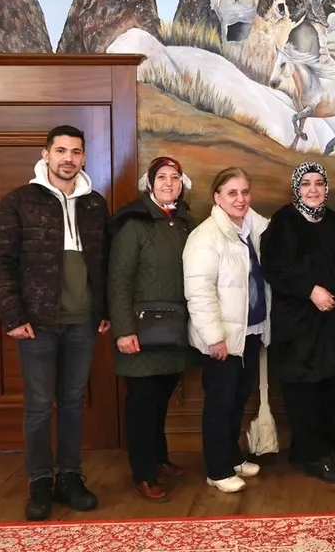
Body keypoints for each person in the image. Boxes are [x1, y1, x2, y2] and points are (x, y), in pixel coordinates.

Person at [0, 125, 111, 521]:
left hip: (82, 322)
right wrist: (13, 315)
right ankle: (40, 482)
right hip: (37, 323)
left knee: (73, 402)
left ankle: (70, 478)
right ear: (46, 155)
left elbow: (104, 263)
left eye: (75, 151)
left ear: (84, 157)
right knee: (40, 406)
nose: (68, 158)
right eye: (61, 150)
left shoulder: (95, 204)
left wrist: (104, 310)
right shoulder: (19, 201)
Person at [107, 156, 197, 503]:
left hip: (174, 331)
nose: (169, 183)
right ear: (150, 183)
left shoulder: (186, 222)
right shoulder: (134, 223)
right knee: (143, 403)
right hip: (140, 332)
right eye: (162, 177)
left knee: (160, 399)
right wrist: (123, 330)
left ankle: (159, 458)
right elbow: (119, 280)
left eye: (175, 177)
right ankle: (143, 472)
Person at [260, 162, 335, 484]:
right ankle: (314, 457)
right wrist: (310, 290)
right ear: (296, 189)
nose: (313, 190)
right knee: (303, 391)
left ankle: (309, 448)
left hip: (330, 325)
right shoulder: (283, 221)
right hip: (297, 326)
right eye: (306, 184)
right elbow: (273, 267)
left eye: (318, 183)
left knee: (327, 389)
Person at [184, 167, 270, 494]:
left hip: (250, 332)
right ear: (217, 197)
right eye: (232, 193)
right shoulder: (205, 237)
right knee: (220, 404)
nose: (240, 199)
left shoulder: (252, 230)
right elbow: (199, 291)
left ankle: (232, 457)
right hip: (221, 338)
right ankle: (217, 470)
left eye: (245, 192)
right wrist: (214, 337)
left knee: (238, 400)